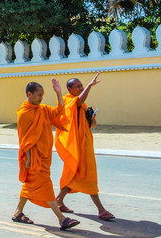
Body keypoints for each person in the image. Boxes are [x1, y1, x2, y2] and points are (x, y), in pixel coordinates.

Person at [12, 80, 80, 231]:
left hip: (44, 155)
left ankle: (18, 212)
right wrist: (29, 157)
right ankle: (62, 219)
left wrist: (58, 93)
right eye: (39, 95)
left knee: (29, 184)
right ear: (29, 94)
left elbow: (59, 113)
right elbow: (24, 139)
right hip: (34, 157)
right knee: (46, 185)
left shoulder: (42, 109)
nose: (41, 98)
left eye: (42, 95)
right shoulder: (24, 114)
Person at [54, 73, 115, 221]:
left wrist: (92, 121)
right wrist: (90, 86)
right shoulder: (70, 101)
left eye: (81, 85)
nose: (80, 88)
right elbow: (79, 101)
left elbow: (85, 124)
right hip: (77, 146)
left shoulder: (82, 103)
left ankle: (58, 201)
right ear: (69, 89)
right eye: (78, 86)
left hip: (85, 143)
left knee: (74, 174)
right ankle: (101, 210)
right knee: (88, 175)